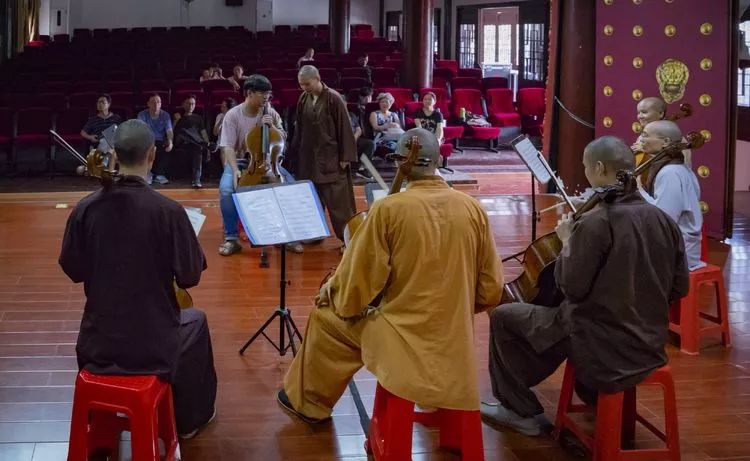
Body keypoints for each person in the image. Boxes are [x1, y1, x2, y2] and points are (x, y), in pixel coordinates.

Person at [277, 128, 504, 423]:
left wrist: (334, 292)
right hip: (453, 341)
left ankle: (309, 405)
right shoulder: (473, 209)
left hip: (404, 338)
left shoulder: (389, 210)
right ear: (437, 161)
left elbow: (355, 291)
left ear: (402, 162)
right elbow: (490, 290)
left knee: (325, 319)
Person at [481, 136, 689, 437]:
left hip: (599, 340)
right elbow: (680, 287)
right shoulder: (664, 221)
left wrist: (568, 243)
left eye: (586, 167)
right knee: (555, 320)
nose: (586, 173)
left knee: (504, 316)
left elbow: (571, 287)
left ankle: (519, 411)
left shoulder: (596, 223)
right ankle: (590, 394)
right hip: (649, 342)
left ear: (600, 167)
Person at [59, 119, 217, 439]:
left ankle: (104, 421)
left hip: (98, 343)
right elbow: (189, 276)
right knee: (195, 321)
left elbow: (73, 269)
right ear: (152, 155)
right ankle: (189, 422)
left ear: (115, 154)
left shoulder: (86, 208)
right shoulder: (169, 212)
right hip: (152, 346)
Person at [217, 75, 301, 256]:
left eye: (268, 94)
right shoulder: (233, 115)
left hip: (268, 162)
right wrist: (234, 170)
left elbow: (282, 138)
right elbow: (228, 147)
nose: (266, 98)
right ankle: (231, 238)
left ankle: (287, 237)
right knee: (226, 189)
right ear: (249, 93)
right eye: (262, 93)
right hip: (241, 161)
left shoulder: (270, 112)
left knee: (291, 187)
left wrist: (273, 128)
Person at [290, 65, 357, 250]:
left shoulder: (334, 98)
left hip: (332, 158)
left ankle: (349, 240)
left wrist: (346, 156)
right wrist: (294, 151)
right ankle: (315, 233)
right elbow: (300, 128)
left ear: (318, 78)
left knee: (339, 203)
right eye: (301, 85)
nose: (304, 88)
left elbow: (345, 127)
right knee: (311, 199)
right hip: (309, 158)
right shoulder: (304, 98)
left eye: (307, 84)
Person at [637, 120, 705, 270]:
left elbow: (664, 219)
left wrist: (639, 191)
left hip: (679, 252)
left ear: (665, 142)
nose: (641, 139)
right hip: (676, 245)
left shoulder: (671, 173)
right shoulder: (676, 168)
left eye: (645, 135)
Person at [632, 96, 692, 169]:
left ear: (660, 113)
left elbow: (679, 167)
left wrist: (647, 151)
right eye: (638, 113)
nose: (640, 116)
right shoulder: (641, 137)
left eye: (644, 112)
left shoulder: (676, 139)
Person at [173, 95, 210, 188]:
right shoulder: (178, 117)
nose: (191, 106)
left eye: (193, 104)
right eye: (188, 103)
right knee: (185, 133)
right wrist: (176, 121)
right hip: (182, 142)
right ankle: (202, 143)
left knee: (197, 147)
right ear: (183, 105)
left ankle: (196, 180)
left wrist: (207, 144)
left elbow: (203, 132)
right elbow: (173, 132)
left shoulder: (198, 118)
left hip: (195, 144)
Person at [137, 94, 173, 185]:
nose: (156, 104)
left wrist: (171, 141)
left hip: (160, 140)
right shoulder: (142, 114)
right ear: (148, 104)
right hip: (147, 139)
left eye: (158, 102)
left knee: (167, 147)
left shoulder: (165, 115)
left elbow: (169, 131)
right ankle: (148, 174)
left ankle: (159, 174)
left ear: (161, 104)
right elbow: (140, 130)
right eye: (153, 102)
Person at [348, 94, 375, 180]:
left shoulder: (351, 115)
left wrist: (353, 139)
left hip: (353, 139)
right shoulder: (332, 115)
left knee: (370, 144)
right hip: (340, 140)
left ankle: (364, 169)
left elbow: (359, 129)